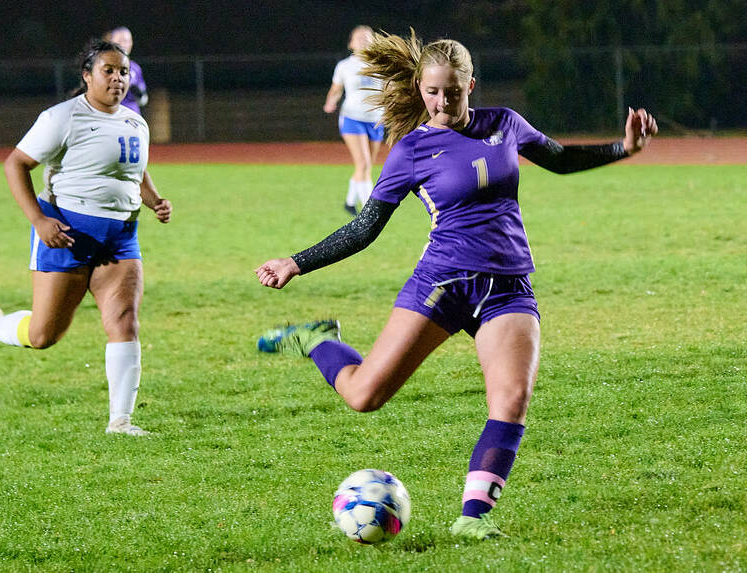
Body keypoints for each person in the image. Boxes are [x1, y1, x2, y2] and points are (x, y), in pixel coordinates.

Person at [255, 30, 657, 539]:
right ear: (420, 89)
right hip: (442, 282)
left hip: (509, 285)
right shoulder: (412, 150)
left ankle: (473, 519)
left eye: (453, 91)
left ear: (472, 84)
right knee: (364, 396)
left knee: (511, 399)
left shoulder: (505, 124)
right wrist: (297, 262)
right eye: (432, 92)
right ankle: (317, 340)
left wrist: (625, 146)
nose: (442, 103)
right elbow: (365, 229)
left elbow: (559, 158)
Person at [0, 39, 172, 436]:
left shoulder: (135, 121)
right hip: (66, 234)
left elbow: (135, 170)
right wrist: (39, 221)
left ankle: (121, 421)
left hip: (121, 239)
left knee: (124, 322)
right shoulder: (63, 117)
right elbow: (16, 164)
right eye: (108, 71)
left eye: (123, 72)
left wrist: (154, 200)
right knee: (44, 334)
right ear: (87, 75)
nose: (117, 78)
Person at [323, 25, 385, 216]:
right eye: (359, 37)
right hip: (352, 118)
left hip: (375, 120)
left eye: (367, 37)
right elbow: (336, 89)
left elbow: (389, 91)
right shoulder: (345, 66)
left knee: (366, 166)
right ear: (351, 43)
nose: (363, 40)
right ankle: (369, 212)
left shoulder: (383, 64)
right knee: (364, 164)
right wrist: (330, 102)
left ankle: (350, 202)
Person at [107, 26, 148, 115]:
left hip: (132, 117)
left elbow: (143, 100)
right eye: (120, 41)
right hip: (112, 117)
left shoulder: (135, 68)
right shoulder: (104, 67)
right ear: (112, 43)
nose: (123, 45)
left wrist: (137, 92)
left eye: (126, 41)